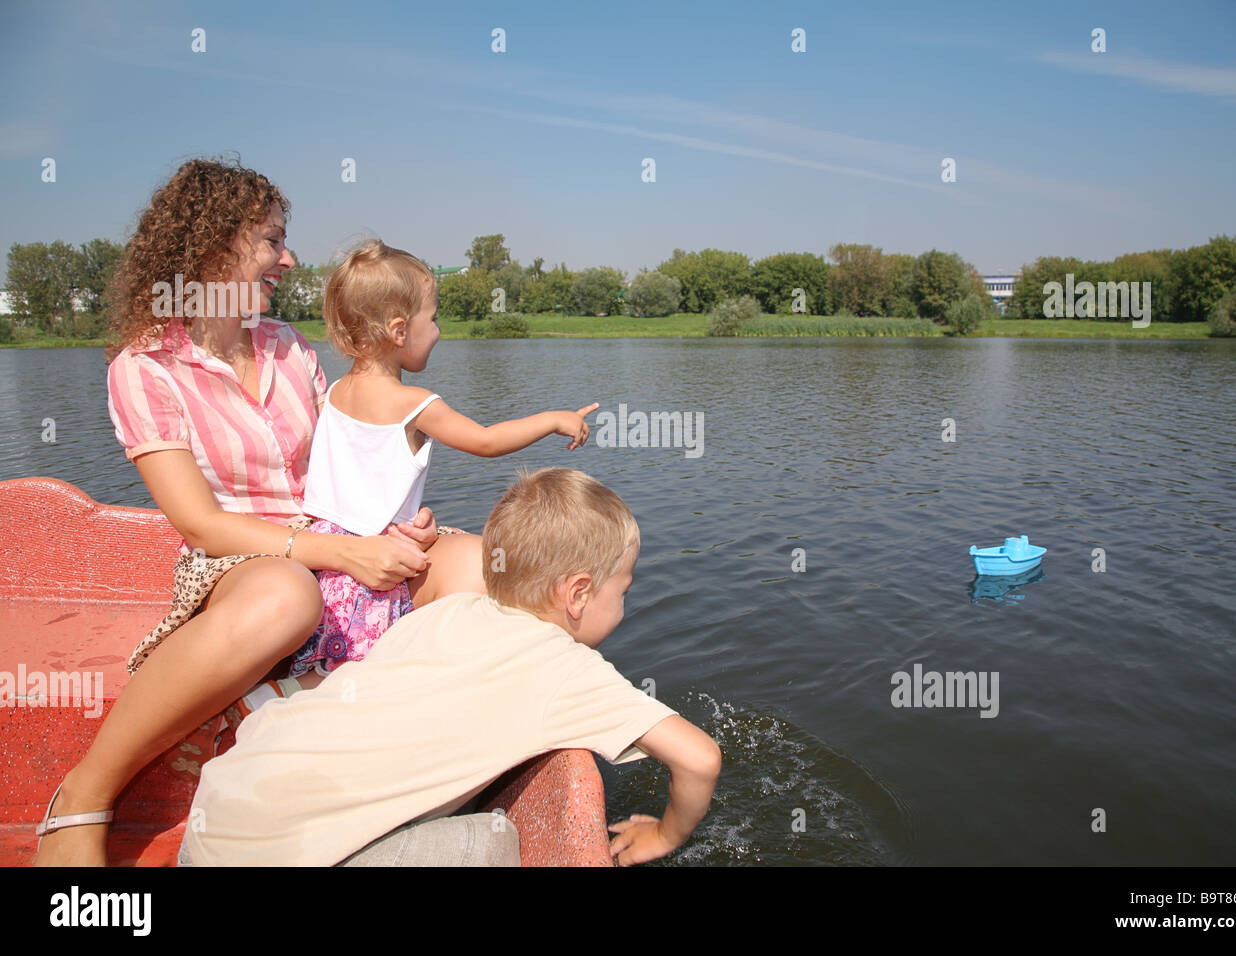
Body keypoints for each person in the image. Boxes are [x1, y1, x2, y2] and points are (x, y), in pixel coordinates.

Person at [32, 158, 481, 866]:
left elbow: (345, 468)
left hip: (340, 534)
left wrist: (395, 520)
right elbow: (200, 525)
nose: (288, 257)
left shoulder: (289, 347)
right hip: (238, 560)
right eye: (272, 240)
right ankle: (85, 794)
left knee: (483, 567)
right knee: (284, 595)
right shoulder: (144, 367)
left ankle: (420, 747)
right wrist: (343, 555)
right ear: (213, 247)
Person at [179, 468, 722, 866]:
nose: (626, 602)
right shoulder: (570, 670)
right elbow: (699, 758)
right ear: (578, 594)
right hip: (276, 859)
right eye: (623, 589)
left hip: (219, 813)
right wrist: (664, 836)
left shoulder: (444, 611)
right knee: (493, 842)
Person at [286, 239, 599, 679]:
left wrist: (410, 521)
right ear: (398, 331)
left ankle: (274, 698)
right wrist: (552, 419)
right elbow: (485, 441)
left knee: (330, 667)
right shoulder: (414, 403)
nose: (438, 331)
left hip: (325, 561)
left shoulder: (336, 392)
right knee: (359, 674)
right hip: (372, 567)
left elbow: (357, 484)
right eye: (432, 320)